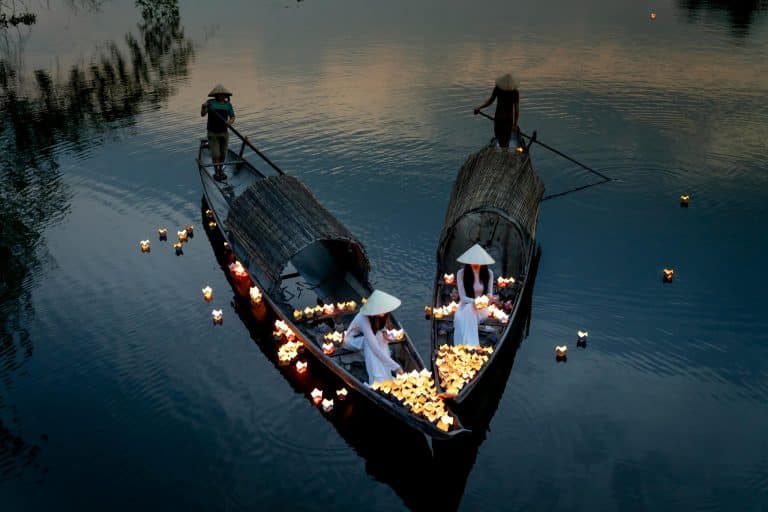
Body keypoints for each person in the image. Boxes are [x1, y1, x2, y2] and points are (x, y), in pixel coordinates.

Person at [343, 290, 404, 384]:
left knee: (380, 337)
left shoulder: (378, 317)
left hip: (364, 338)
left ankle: (386, 375)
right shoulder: (363, 318)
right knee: (370, 345)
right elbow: (375, 348)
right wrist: (396, 367)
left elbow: (379, 329)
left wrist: (384, 332)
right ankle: (377, 379)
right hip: (350, 341)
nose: (384, 312)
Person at [452, 244, 495, 347]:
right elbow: (463, 298)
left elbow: (489, 293)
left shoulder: (489, 273)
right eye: (473, 261)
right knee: (466, 310)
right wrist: (474, 302)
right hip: (464, 306)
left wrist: (488, 297)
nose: (475, 264)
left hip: (482, 308)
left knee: (469, 309)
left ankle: (467, 345)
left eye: (478, 261)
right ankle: (470, 345)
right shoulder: (461, 273)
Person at [473, 73, 520, 149]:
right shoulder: (514, 92)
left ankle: (504, 153)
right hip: (504, 119)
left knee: (502, 139)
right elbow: (517, 111)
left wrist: (479, 107)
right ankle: (505, 153)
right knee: (504, 140)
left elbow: (490, 101)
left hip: (501, 119)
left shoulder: (501, 89)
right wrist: (514, 124)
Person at [201, 84, 236, 182]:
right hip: (213, 133)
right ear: (216, 95)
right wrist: (203, 107)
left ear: (226, 96)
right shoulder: (210, 103)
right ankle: (216, 172)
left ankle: (220, 170)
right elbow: (203, 114)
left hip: (224, 133)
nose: (222, 96)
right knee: (216, 154)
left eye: (223, 94)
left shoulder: (227, 105)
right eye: (220, 94)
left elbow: (233, 117)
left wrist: (230, 122)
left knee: (223, 154)